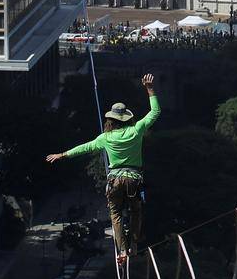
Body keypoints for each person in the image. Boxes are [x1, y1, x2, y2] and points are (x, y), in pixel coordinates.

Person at [46, 73, 160, 265]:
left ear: (111, 120)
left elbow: (84, 148)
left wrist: (63, 154)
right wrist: (149, 89)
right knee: (135, 210)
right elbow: (155, 112)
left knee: (115, 215)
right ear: (127, 119)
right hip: (133, 178)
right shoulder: (136, 130)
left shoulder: (105, 138)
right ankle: (133, 243)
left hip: (114, 180)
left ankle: (122, 250)